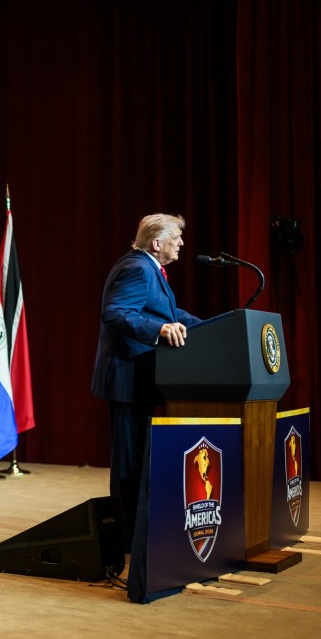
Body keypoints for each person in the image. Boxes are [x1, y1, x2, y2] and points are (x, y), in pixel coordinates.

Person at [92, 214, 202, 552]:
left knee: (138, 460)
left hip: (140, 380)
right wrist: (159, 330)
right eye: (177, 238)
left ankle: (137, 534)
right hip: (126, 379)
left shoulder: (149, 268)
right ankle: (126, 541)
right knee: (129, 464)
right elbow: (116, 312)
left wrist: (213, 328)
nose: (181, 244)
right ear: (157, 243)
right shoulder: (138, 268)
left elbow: (169, 313)